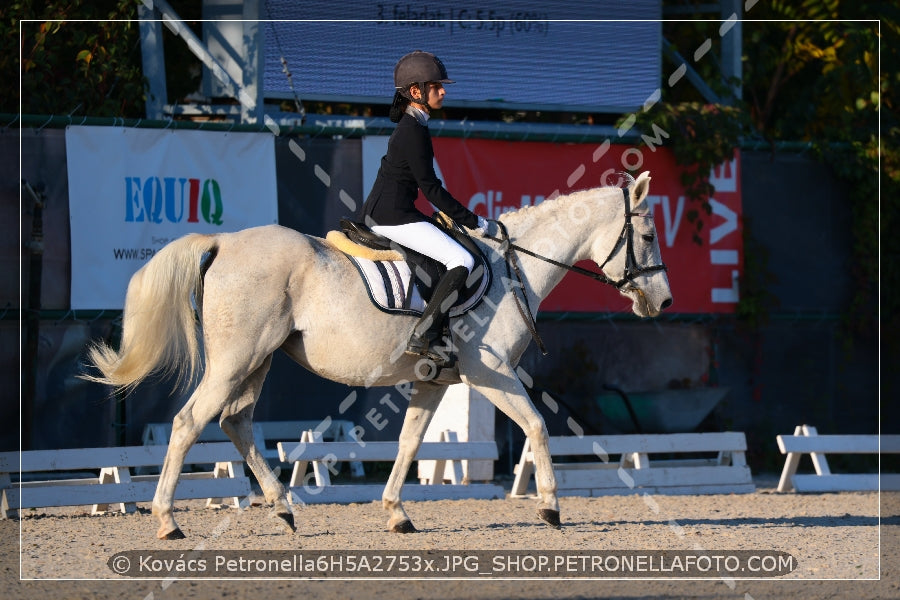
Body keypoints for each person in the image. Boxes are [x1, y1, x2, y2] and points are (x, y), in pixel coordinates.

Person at [357, 50, 489, 366]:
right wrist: (474, 221)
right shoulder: (413, 130)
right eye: (436, 86)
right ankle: (426, 334)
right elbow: (431, 190)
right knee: (462, 258)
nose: (443, 91)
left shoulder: (415, 125)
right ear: (416, 92)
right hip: (391, 218)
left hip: (393, 212)